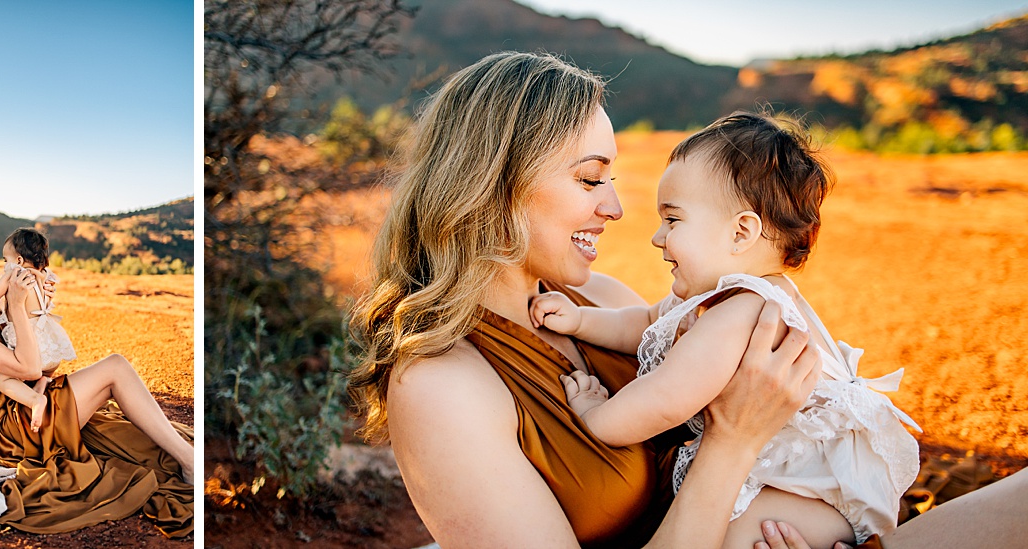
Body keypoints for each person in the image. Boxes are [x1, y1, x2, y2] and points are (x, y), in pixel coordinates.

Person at [347, 51, 1028, 549]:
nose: (614, 209)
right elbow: (722, 434)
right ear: (493, 183)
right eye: (591, 178)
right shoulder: (440, 382)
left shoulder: (602, 300)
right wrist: (733, 443)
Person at [528, 111, 920, 547]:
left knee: (733, 538)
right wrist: (581, 319)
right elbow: (642, 322)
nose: (658, 238)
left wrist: (593, 419)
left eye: (673, 220)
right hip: (797, 482)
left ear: (741, 233)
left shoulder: (745, 310)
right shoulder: (718, 298)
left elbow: (665, 400)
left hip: (815, 494)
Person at [0, 235, 194, 537]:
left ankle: (184, 455)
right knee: (115, 368)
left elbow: (45, 366)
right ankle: (190, 461)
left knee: (114, 376)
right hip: (2, 429)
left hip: (20, 402)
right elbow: (29, 367)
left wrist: (37, 307)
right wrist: (19, 308)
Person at [0, 228, 76, 433]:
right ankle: (42, 381)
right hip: (49, 344)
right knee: (43, 370)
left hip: (30, 346)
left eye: (5, 260)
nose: (5, 265)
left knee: (4, 379)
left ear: (18, 260)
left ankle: (35, 399)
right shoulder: (46, 275)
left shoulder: (14, 274)